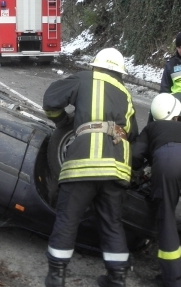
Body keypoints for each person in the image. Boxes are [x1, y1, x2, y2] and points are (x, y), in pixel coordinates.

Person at [42, 48, 138, 287]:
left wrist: (63, 121)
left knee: (67, 218)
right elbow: (132, 132)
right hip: (117, 166)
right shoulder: (126, 94)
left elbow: (51, 101)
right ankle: (117, 279)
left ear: (96, 66)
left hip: (84, 163)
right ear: (120, 73)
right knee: (112, 222)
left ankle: (56, 276)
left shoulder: (85, 78)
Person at [132, 94, 181, 286]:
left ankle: (173, 278)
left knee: (166, 216)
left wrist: (139, 171)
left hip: (168, 162)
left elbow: (134, 156)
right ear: (178, 113)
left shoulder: (152, 128)